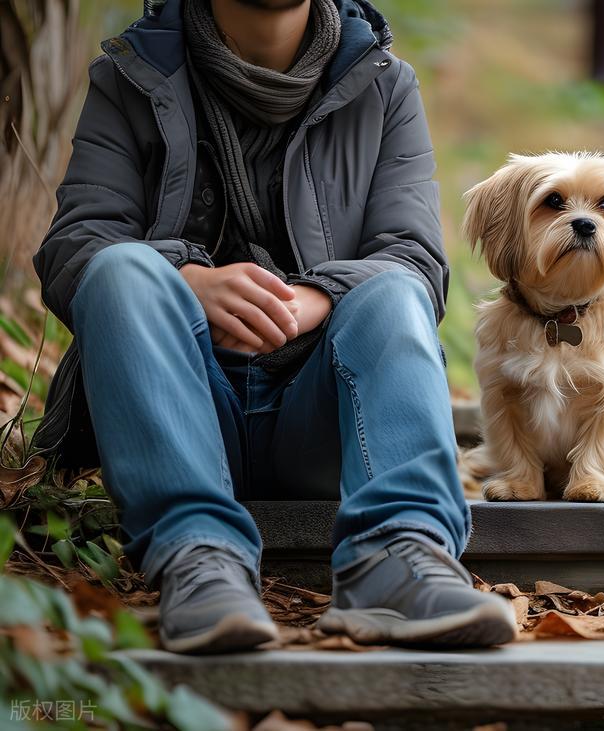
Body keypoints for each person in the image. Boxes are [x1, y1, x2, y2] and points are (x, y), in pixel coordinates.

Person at [31, 0, 516, 653]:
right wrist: (187, 280)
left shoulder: (383, 85)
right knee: (120, 268)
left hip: (321, 416)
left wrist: (316, 296)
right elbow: (75, 246)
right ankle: (199, 559)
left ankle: (398, 555)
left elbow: (414, 256)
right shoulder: (132, 74)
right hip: (176, 402)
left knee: (395, 290)